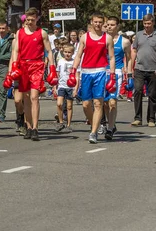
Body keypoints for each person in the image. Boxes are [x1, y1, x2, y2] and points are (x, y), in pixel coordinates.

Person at [8, 7, 56, 141]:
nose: (30, 22)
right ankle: (28, 126)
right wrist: (14, 66)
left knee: (34, 97)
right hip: (23, 66)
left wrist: (52, 68)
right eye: (28, 20)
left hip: (37, 66)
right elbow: (16, 50)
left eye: (32, 20)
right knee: (27, 98)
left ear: (37, 19)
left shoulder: (42, 33)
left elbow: (49, 51)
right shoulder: (20, 33)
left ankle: (35, 128)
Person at [70, 13, 115, 144]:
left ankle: (93, 132)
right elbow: (78, 55)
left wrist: (111, 75)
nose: (98, 24)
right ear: (91, 22)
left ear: (103, 23)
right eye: (95, 22)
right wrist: (73, 70)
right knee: (85, 105)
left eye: (100, 22)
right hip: (86, 72)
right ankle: (94, 123)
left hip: (101, 72)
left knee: (98, 103)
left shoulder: (107, 38)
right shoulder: (84, 37)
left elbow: (111, 57)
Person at [103, 16, 131, 138]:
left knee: (112, 103)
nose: (109, 27)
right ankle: (111, 124)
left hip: (117, 72)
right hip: (103, 72)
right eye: (108, 24)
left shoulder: (124, 41)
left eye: (112, 24)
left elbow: (129, 59)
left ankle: (110, 129)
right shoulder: (102, 39)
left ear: (117, 26)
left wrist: (129, 75)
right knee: (104, 103)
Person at [129, 13, 156, 127]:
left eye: (149, 23)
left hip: (153, 69)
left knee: (153, 95)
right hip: (139, 68)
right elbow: (134, 51)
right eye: (145, 23)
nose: (147, 26)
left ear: (153, 23)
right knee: (138, 91)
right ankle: (137, 118)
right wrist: (131, 66)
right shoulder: (139, 35)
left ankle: (151, 119)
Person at [54, 44, 75, 132]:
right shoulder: (60, 61)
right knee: (59, 104)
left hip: (70, 86)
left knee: (69, 106)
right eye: (66, 52)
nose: (67, 54)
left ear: (72, 53)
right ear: (63, 52)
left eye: (69, 52)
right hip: (61, 86)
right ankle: (61, 122)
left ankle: (69, 124)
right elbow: (57, 74)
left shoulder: (74, 62)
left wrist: (76, 88)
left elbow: (77, 75)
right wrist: (55, 86)